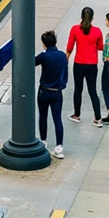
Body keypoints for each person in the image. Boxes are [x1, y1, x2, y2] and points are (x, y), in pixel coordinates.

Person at [66, 7, 104, 126]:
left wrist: (65, 61)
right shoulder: (97, 31)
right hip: (92, 65)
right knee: (93, 91)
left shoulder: (75, 29)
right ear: (92, 18)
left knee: (78, 90)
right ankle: (98, 118)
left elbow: (69, 47)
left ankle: (77, 115)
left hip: (79, 64)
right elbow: (100, 47)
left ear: (81, 17)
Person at [36, 30, 69, 158]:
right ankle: (59, 146)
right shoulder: (62, 56)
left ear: (44, 44)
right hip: (57, 92)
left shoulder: (44, 56)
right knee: (57, 119)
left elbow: (32, 62)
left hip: (44, 91)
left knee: (43, 116)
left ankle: (43, 141)